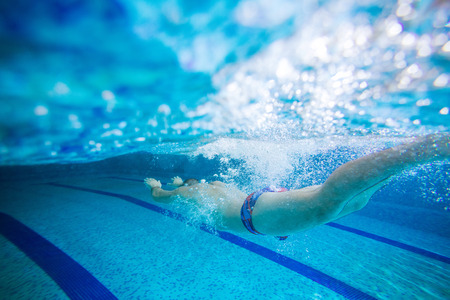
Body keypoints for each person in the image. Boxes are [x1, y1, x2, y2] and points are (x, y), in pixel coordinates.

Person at [144, 134, 449, 238]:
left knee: (328, 201)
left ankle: (417, 151)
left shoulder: (193, 192)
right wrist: (167, 185)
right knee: (352, 203)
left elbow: (162, 197)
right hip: (257, 204)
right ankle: (410, 159)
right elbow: (173, 192)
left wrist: (158, 186)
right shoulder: (214, 185)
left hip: (254, 216)